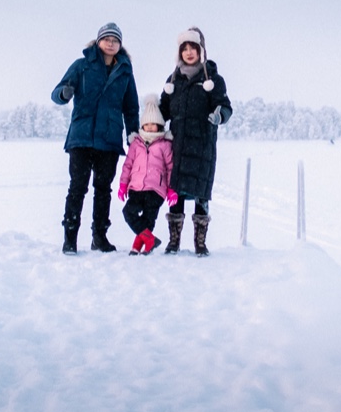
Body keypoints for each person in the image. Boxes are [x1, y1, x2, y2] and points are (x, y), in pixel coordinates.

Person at [51, 23, 139, 253]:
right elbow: (57, 93)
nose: (111, 43)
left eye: (115, 40)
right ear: (98, 41)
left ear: (120, 45)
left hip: (109, 140)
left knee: (103, 189)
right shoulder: (82, 66)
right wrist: (64, 93)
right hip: (81, 138)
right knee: (77, 187)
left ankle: (99, 237)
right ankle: (70, 238)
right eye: (107, 39)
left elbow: (131, 108)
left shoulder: (125, 71)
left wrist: (133, 136)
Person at [158, 27, 232, 255]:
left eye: (193, 48)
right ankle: (174, 241)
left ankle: (200, 243)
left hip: (202, 144)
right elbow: (163, 111)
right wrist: (149, 124)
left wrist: (220, 115)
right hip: (178, 145)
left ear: (201, 51)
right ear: (179, 53)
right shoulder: (173, 80)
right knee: (176, 192)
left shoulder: (213, 79)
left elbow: (225, 106)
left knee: (201, 193)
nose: (189, 52)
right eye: (185, 49)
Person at [117, 100, 176, 254]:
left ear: (160, 125)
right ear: (142, 125)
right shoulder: (136, 144)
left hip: (156, 190)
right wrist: (123, 185)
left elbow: (170, 168)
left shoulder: (165, 144)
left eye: (153, 124)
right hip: (136, 188)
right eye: (147, 124)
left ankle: (138, 247)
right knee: (128, 212)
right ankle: (149, 240)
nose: (150, 127)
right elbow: (127, 165)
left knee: (149, 220)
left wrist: (172, 189)